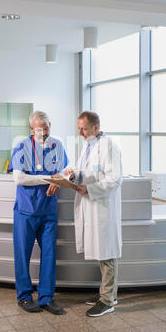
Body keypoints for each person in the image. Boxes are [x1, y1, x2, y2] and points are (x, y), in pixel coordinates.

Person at [9, 111, 69, 314]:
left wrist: (59, 178)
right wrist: (48, 179)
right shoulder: (21, 146)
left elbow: (65, 170)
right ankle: (24, 296)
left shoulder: (58, 145)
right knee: (22, 254)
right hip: (26, 210)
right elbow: (19, 178)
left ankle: (46, 298)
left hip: (49, 210)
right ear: (31, 129)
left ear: (50, 125)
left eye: (46, 128)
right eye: (38, 129)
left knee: (50, 255)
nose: (43, 132)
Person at [65, 111, 123, 317]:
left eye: (84, 128)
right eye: (79, 128)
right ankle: (107, 294)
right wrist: (75, 174)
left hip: (103, 208)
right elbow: (90, 171)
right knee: (101, 252)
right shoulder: (89, 146)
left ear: (96, 128)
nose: (80, 132)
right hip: (92, 206)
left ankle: (108, 301)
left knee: (107, 254)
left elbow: (115, 179)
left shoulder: (109, 147)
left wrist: (90, 189)